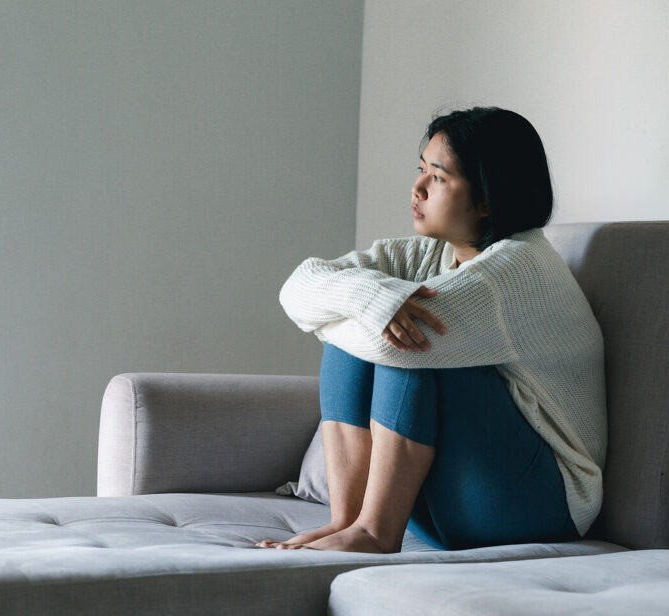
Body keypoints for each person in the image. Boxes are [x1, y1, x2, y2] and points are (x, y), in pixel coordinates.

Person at [257, 107, 606, 554]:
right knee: (366, 306)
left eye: (437, 178)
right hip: (450, 507)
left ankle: (374, 532)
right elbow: (299, 286)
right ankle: (349, 521)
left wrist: (359, 308)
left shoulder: (518, 268)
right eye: (421, 169)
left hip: (539, 507)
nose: (417, 188)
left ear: (486, 198)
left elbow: (402, 349)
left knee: (409, 339)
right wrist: (366, 298)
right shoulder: (429, 255)